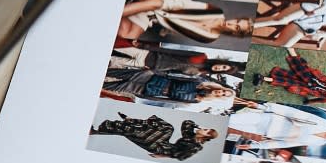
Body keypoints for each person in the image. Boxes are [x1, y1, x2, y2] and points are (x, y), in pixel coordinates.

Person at [116, 0, 254, 50]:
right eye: (236, 21)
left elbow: (179, 28)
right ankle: (113, 10)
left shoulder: (209, 37)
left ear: (235, 33)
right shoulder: (216, 11)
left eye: (236, 27)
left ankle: (122, 8)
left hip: (151, 17)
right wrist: (161, 8)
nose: (231, 23)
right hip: (161, 1)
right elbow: (183, 3)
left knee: (128, 35)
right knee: (154, 3)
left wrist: (164, 27)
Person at [90, 111, 216, 162]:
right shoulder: (191, 136)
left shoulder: (196, 146)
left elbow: (181, 157)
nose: (204, 129)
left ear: (206, 137)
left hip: (159, 147)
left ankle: (128, 121)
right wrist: (198, 126)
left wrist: (162, 156)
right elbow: (187, 123)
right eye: (206, 128)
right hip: (162, 142)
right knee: (167, 127)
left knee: (134, 131)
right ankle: (130, 120)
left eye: (206, 131)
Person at [258, 48, 326, 103]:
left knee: (292, 83)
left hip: (310, 88)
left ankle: (263, 78)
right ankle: (292, 51)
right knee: (302, 68)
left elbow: (322, 100)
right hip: (314, 79)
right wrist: (316, 76)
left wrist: (309, 102)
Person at [101, 66, 238, 107]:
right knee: (110, 72)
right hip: (151, 77)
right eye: (224, 91)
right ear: (222, 88)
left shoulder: (197, 100)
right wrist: (153, 71)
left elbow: (170, 101)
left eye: (223, 95)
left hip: (147, 90)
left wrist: (146, 98)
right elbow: (175, 74)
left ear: (220, 98)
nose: (221, 93)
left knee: (111, 86)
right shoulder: (200, 81)